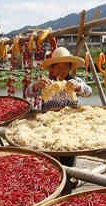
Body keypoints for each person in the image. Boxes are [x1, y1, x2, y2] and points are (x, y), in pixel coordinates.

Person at [26, 46, 93, 192]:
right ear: (52, 69)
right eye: (58, 67)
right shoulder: (46, 82)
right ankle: (52, 183)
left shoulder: (75, 81)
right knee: (50, 156)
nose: (61, 70)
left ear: (70, 67)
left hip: (69, 125)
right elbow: (28, 94)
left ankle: (68, 181)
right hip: (49, 125)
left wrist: (78, 87)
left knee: (68, 154)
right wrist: (36, 85)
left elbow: (89, 92)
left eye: (65, 66)